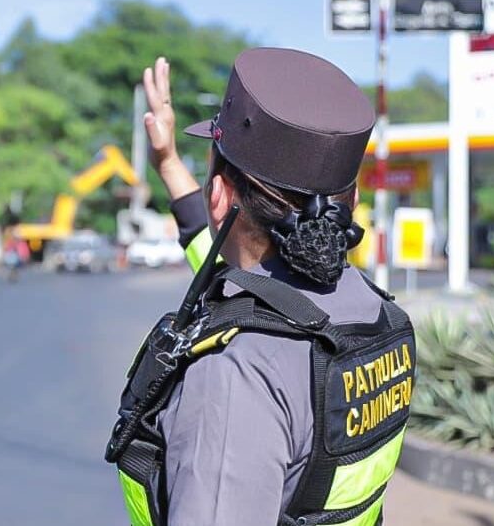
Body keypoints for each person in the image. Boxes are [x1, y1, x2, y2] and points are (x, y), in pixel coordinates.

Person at [106, 49, 416, 526]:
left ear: (219, 197)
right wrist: (167, 163)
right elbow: (215, 256)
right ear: (349, 201)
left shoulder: (236, 374)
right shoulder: (375, 315)